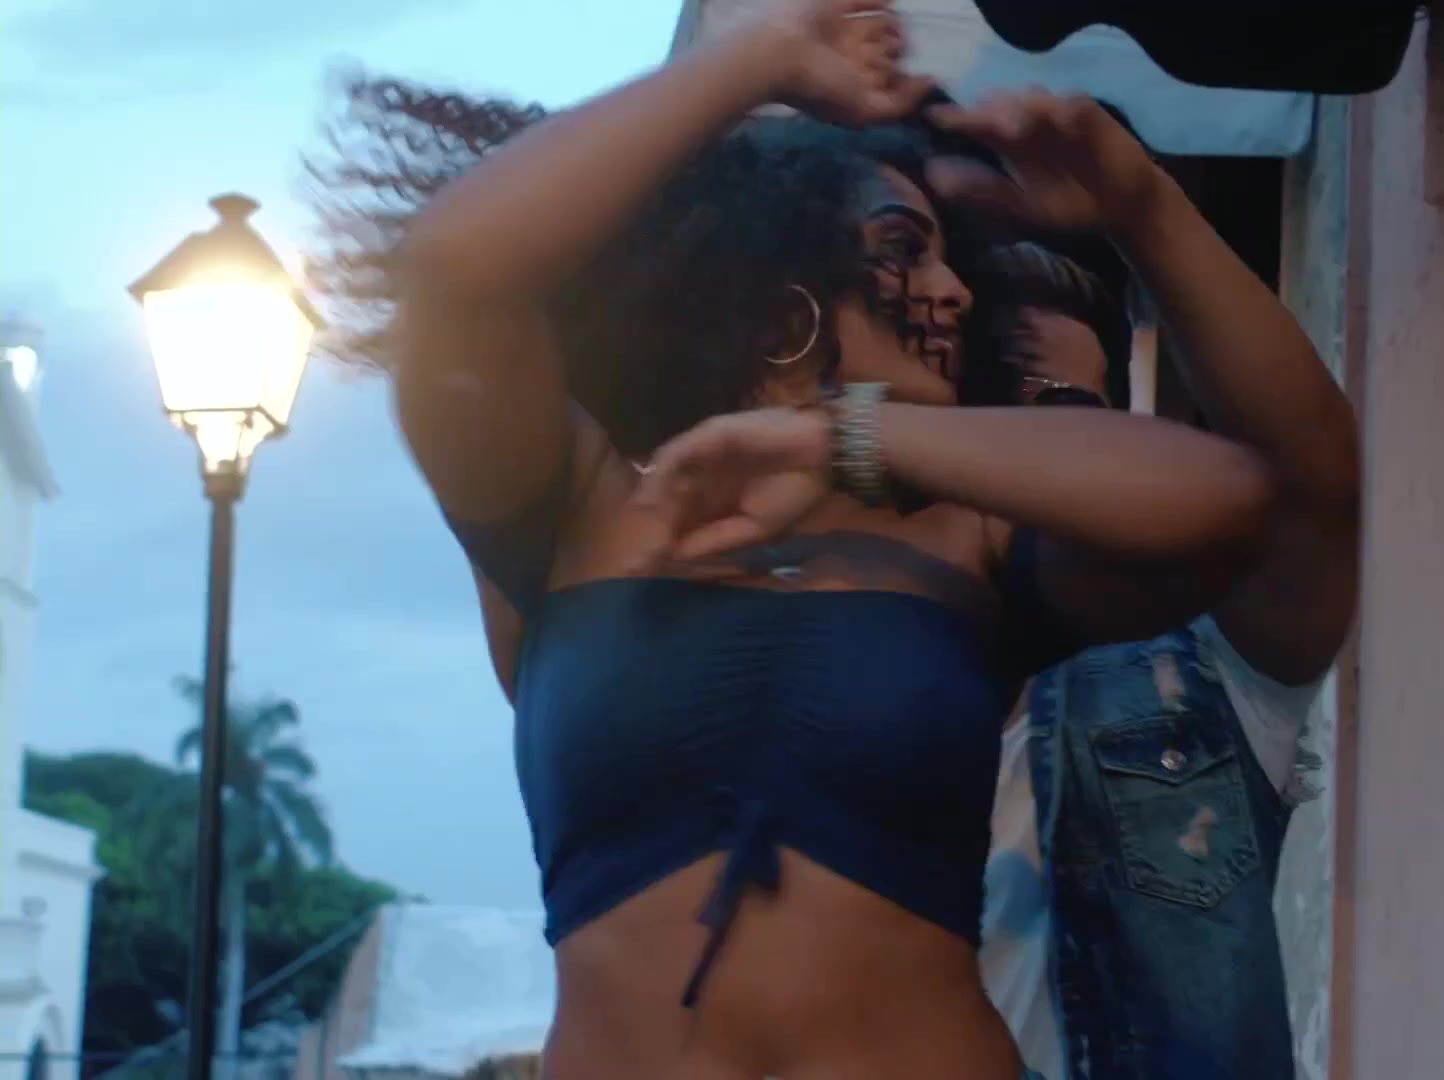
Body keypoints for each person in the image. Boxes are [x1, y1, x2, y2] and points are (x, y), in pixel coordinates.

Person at [304, 4, 1286, 1078]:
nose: (955, 289)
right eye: (905, 250)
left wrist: (848, 436)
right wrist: (757, 61)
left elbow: (1230, 496)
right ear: (782, 306)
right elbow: (456, 267)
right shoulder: (571, 509)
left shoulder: (967, 536)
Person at [931, 100, 1361, 1079]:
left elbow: (1309, 494)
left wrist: (1143, 209)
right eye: (1024, 415)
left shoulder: (1183, 680)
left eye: (1088, 410)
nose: (1074, 454)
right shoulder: (819, 684)